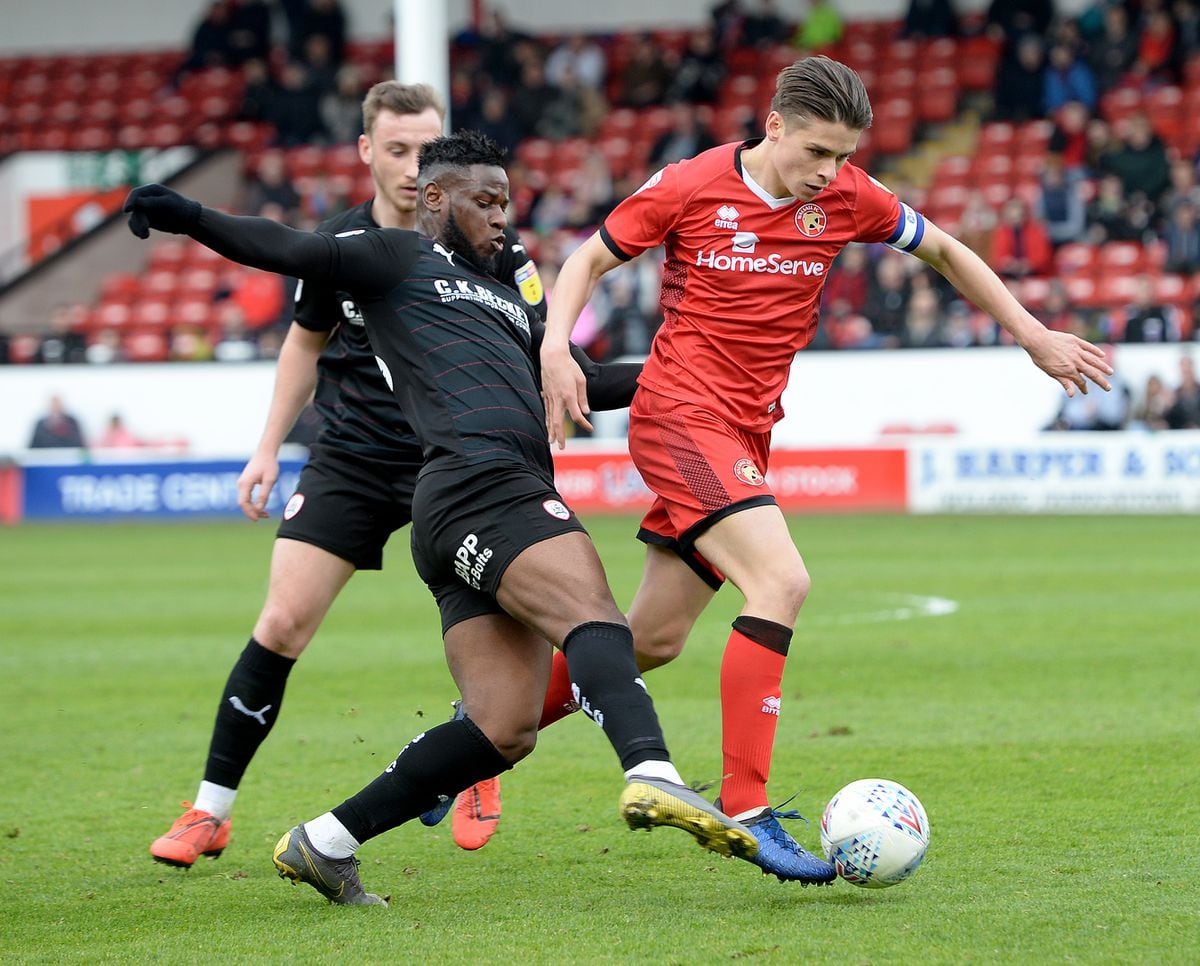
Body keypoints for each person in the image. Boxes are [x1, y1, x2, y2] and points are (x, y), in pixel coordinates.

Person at [124, 130, 758, 905]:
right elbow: (292, 249)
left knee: (503, 727)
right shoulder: (391, 259)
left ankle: (326, 841)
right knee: (591, 612)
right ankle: (652, 772)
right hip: (478, 483)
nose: (502, 218)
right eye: (485, 201)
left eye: (508, 202)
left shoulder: (509, 297)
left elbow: (581, 381)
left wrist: (693, 377)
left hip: (460, 504)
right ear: (434, 197)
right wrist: (188, 213)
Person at [531, 55, 1112, 886]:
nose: (828, 174)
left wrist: (1031, 333)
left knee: (650, 640)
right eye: (815, 153)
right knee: (782, 582)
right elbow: (587, 258)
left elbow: (945, 249)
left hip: (747, 430)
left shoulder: (846, 197)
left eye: (841, 156)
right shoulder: (692, 186)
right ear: (773, 127)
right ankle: (749, 807)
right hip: (679, 415)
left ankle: (484, 729)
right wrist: (558, 349)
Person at [145, 83, 545, 870]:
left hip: (459, 463)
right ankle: (210, 809)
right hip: (357, 456)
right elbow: (304, 342)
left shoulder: (499, 250)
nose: (412, 166)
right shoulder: (340, 242)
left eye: (426, 151)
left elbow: (534, 352)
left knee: (513, 611)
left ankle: (473, 759)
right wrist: (267, 446)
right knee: (283, 620)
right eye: (397, 150)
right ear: (367, 151)